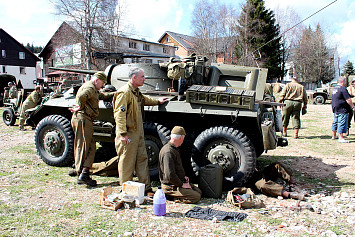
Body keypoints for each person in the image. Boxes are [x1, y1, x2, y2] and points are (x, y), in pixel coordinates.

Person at [113, 67, 168, 194]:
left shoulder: (136, 92)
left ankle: (146, 188)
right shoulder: (124, 93)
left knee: (142, 160)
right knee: (127, 162)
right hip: (128, 133)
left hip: (138, 132)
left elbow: (144, 100)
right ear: (134, 78)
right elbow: (119, 115)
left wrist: (158, 101)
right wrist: (123, 134)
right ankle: (126, 190)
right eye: (142, 76)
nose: (144, 79)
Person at [69, 71, 115, 187]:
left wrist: (114, 93)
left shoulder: (93, 88)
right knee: (84, 145)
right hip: (83, 119)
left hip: (85, 119)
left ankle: (83, 171)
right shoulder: (90, 87)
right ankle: (82, 174)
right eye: (102, 83)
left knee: (89, 145)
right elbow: (81, 96)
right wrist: (80, 106)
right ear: (97, 80)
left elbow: (100, 95)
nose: (103, 85)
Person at [159, 126, 202, 204]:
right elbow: (169, 175)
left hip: (176, 182)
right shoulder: (168, 152)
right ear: (181, 138)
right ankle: (171, 197)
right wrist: (182, 184)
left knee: (199, 192)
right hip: (170, 187)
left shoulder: (174, 149)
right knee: (196, 197)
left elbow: (175, 168)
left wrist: (183, 177)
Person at [331, 76, 355, 143]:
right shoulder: (343, 89)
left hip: (336, 107)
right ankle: (341, 138)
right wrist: (353, 107)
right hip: (342, 108)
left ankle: (334, 135)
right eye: (344, 81)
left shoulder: (335, 88)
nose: (345, 83)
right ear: (342, 81)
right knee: (342, 122)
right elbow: (348, 99)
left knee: (335, 122)